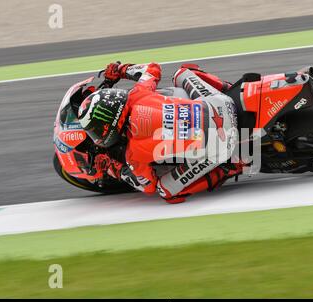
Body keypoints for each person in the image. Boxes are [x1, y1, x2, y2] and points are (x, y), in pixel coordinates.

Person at [77, 62, 243, 203]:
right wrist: (121, 70)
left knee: (165, 191)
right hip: (221, 103)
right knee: (182, 72)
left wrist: (114, 167)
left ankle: (232, 168)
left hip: (220, 147)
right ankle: (231, 89)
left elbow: (148, 187)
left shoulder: (133, 156)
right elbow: (153, 68)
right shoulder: (138, 94)